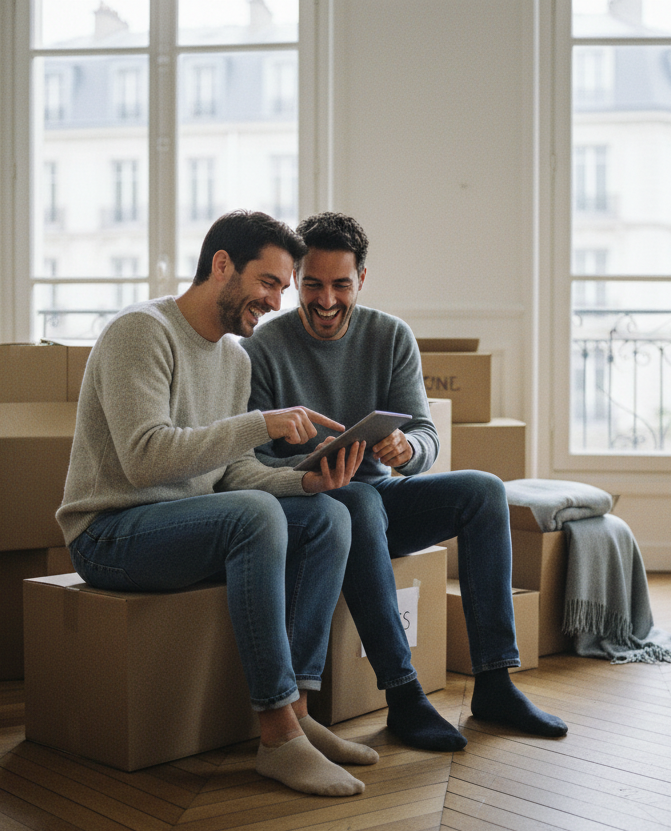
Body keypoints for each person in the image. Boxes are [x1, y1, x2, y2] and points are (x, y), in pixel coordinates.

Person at [56, 210, 378, 797]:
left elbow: (233, 473)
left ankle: (301, 710)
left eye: (283, 288)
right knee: (253, 517)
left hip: (186, 524)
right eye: (268, 283)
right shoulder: (140, 331)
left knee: (331, 515)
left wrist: (308, 482)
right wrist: (260, 422)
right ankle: (278, 736)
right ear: (222, 265)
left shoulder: (234, 358)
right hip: (109, 533)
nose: (277, 302)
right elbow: (144, 459)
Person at [243, 212, 568, 751]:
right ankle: (403, 694)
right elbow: (251, 463)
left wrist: (407, 448)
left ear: (362, 280)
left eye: (340, 286)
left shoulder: (390, 335)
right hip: (316, 508)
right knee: (360, 502)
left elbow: (425, 435)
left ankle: (494, 682)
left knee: (484, 489)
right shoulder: (262, 349)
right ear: (297, 280)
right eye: (313, 285)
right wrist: (307, 476)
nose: (326, 301)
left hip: (377, 498)